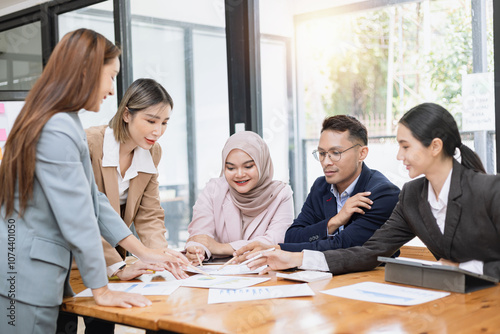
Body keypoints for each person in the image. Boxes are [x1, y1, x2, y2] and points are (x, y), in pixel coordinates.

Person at [0, 29, 188, 334]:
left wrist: (145, 252)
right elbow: (78, 216)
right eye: (110, 76)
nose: (112, 90)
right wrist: (102, 288)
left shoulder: (64, 120)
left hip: (42, 273)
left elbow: (94, 201)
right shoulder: (59, 127)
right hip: (26, 276)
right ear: (86, 71)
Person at [247, 103, 500, 280]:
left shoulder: (490, 190)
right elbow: (370, 251)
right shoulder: (412, 195)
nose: (399, 155)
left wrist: (464, 268)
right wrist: (298, 259)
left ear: (435, 146)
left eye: (405, 146)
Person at [234, 115, 400, 259]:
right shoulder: (321, 187)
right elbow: (292, 236)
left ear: (362, 153)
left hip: (369, 281)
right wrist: (334, 222)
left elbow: (344, 246)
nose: (326, 162)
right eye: (321, 153)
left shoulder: (382, 193)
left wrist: (278, 249)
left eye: (336, 153)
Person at [83, 79, 175, 333]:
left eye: (164, 122)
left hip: (118, 259)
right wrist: (118, 266)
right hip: (80, 256)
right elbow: (87, 215)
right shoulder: (90, 144)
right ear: (126, 114)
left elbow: (150, 214)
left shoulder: (152, 152)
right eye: (151, 120)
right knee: (95, 322)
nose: (158, 131)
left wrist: (160, 258)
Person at [184, 131, 294, 263]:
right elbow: (200, 233)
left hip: (264, 273)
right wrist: (197, 250)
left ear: (262, 163)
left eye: (248, 166)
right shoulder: (214, 189)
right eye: (231, 168)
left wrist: (220, 248)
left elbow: (273, 241)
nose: (239, 174)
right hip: (218, 274)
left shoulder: (281, 194)